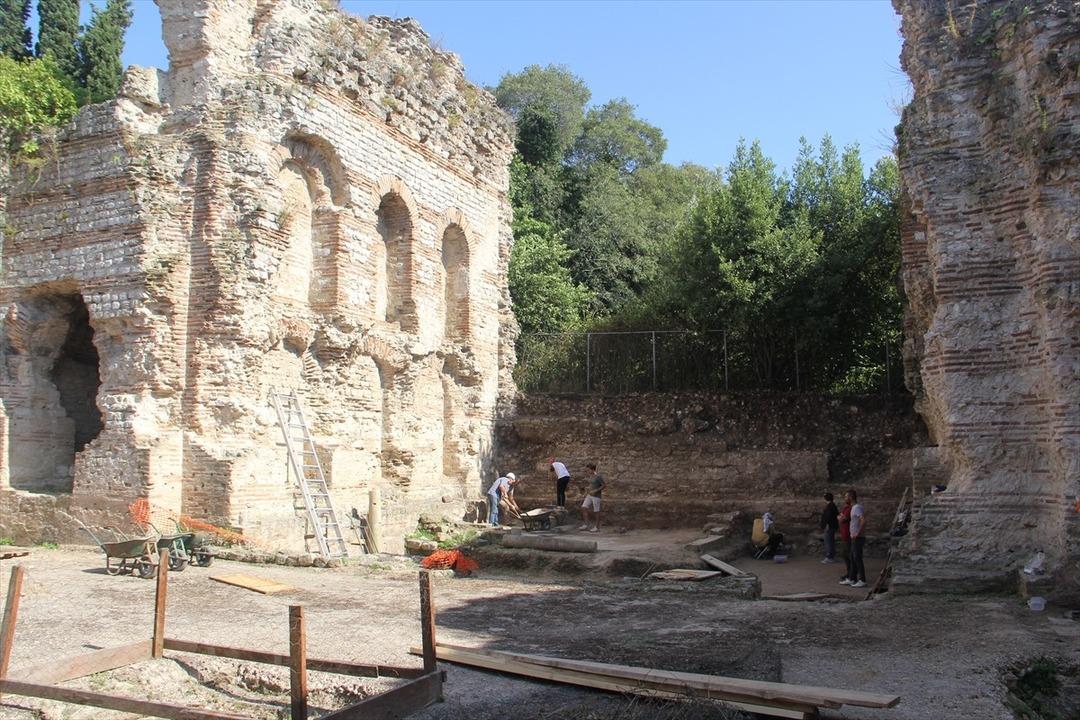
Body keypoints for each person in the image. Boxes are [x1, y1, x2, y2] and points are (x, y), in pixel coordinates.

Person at [840, 489, 867, 588]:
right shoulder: (854, 508)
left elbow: (863, 520)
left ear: (851, 497)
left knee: (857, 559)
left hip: (858, 537)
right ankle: (852, 578)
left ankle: (862, 580)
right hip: (854, 537)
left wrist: (858, 533)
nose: (845, 498)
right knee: (852, 558)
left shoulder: (857, 508)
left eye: (846, 497)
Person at [577, 462, 605, 532]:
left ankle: (597, 527)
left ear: (593, 470)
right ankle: (586, 525)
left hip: (596, 496)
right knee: (584, 508)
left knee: (596, 511)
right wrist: (586, 493)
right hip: (589, 495)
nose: (587, 471)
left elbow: (604, 485)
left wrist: (596, 490)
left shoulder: (598, 476)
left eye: (588, 470)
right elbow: (591, 485)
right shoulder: (591, 476)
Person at [819, 492, 839, 564]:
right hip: (832, 526)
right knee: (830, 541)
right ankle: (831, 556)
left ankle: (829, 557)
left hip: (829, 527)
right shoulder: (832, 505)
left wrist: (826, 525)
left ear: (825, 499)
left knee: (828, 542)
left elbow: (828, 517)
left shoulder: (830, 506)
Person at [838, 493, 853, 583]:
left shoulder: (851, 508)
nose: (845, 498)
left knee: (848, 555)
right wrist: (841, 517)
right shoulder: (846, 508)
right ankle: (849, 573)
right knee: (845, 554)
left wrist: (841, 517)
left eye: (846, 496)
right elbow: (840, 517)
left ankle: (851, 575)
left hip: (848, 535)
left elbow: (842, 519)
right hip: (844, 535)